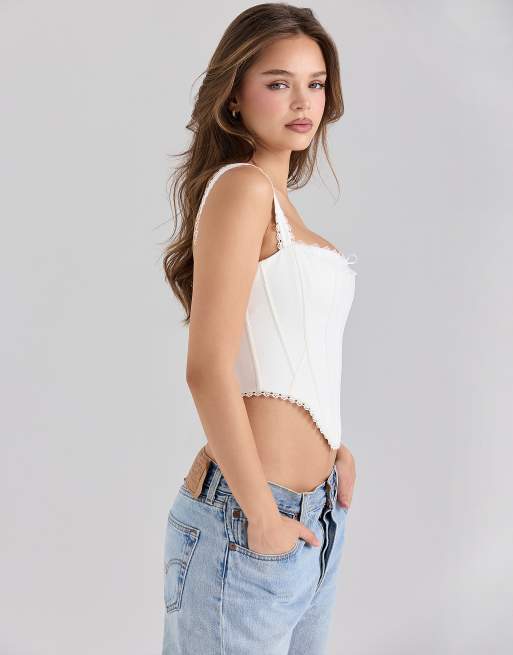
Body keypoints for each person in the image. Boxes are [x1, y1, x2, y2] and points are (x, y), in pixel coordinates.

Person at [161, 4, 358, 653]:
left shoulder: (282, 209)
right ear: (234, 95)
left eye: (315, 83)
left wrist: (335, 448)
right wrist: (260, 513)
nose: (303, 102)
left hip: (314, 519)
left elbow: (296, 348)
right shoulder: (242, 189)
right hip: (249, 523)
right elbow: (206, 368)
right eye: (279, 82)